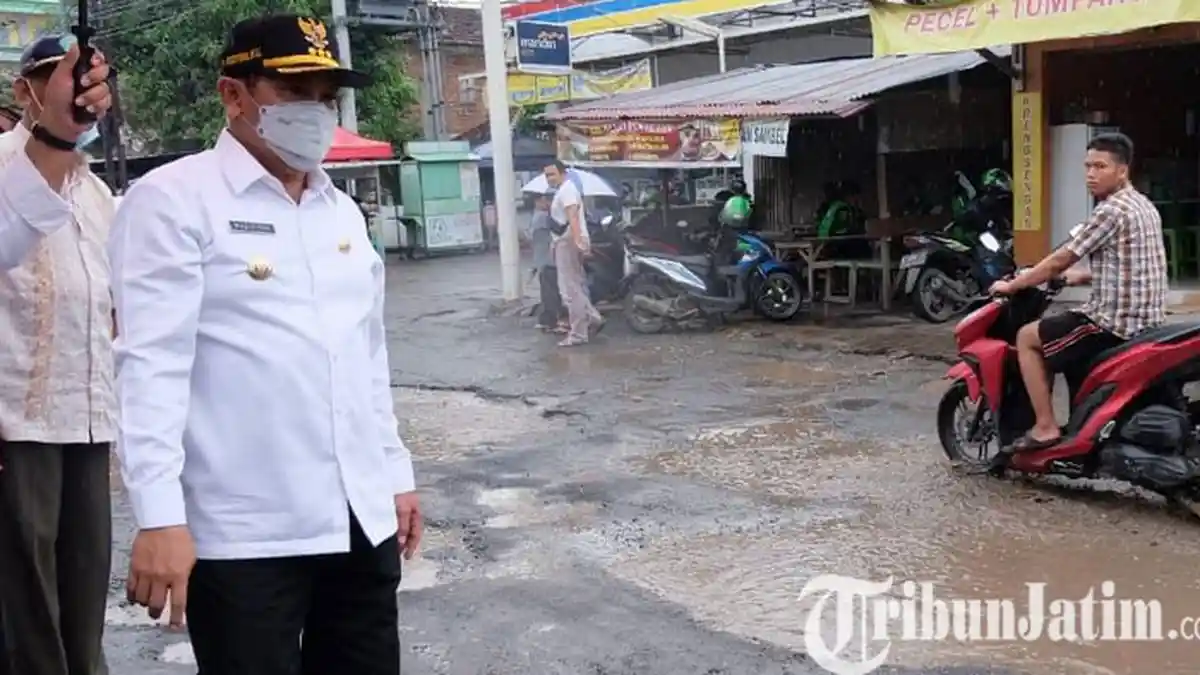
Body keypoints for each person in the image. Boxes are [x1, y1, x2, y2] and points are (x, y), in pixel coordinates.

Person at [108, 15, 421, 675]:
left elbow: (365, 357)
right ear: (234, 95)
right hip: (244, 534)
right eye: (294, 90)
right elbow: (150, 369)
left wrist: (394, 474)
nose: (314, 111)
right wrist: (160, 515)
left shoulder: (339, 211)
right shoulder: (173, 200)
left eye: (325, 95)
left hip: (358, 525)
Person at [0, 36, 115, 675]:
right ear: (25, 91)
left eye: (88, 77)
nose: (77, 89)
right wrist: (56, 139)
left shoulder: (97, 196)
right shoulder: (5, 166)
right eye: (58, 76)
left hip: (88, 422)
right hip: (16, 425)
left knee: (82, 605)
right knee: (27, 616)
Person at [990, 133, 1167, 451]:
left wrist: (1014, 284)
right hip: (1146, 319)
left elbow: (1061, 258)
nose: (1090, 174)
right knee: (1063, 334)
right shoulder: (1143, 204)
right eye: (1087, 166)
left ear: (1122, 170)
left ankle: (1044, 427)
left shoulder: (1111, 211)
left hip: (1113, 323)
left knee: (1028, 338)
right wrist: (1081, 278)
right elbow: (1130, 266)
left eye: (1100, 166)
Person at [545, 160, 601, 347]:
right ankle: (592, 318)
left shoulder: (567, 190)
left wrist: (578, 241)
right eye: (547, 175)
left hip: (568, 242)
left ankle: (578, 333)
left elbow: (573, 218)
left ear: (563, 173)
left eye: (552, 174)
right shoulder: (563, 190)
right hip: (564, 241)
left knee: (570, 289)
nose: (549, 178)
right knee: (575, 284)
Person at [530, 191, 565, 332]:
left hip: (543, 260)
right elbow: (560, 229)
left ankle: (549, 320)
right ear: (538, 201)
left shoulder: (537, 217)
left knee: (549, 292)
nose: (548, 203)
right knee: (550, 293)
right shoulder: (542, 217)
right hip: (548, 261)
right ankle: (549, 321)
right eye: (546, 200)